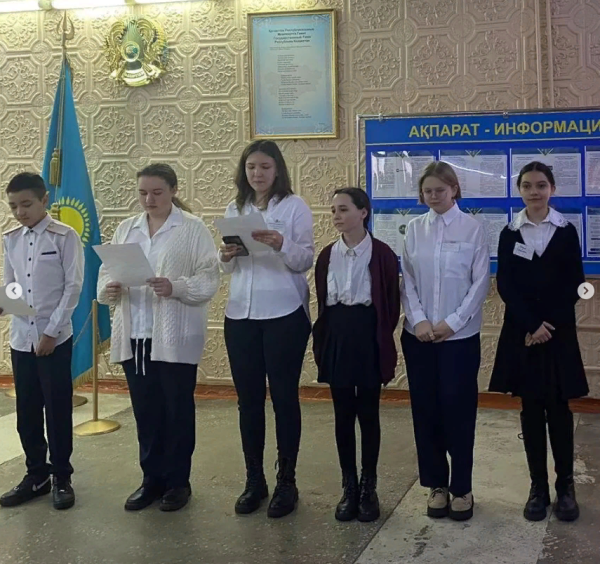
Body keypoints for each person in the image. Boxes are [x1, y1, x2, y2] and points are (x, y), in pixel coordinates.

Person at [97, 163, 219, 512]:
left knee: (176, 410)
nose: (149, 200)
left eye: (157, 192)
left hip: (173, 335)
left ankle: (178, 482)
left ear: (173, 191)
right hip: (135, 334)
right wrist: (110, 288)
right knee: (146, 411)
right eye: (143, 193)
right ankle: (151, 479)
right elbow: (105, 274)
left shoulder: (192, 228)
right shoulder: (127, 228)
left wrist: (175, 287)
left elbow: (209, 278)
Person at [489, 161, 588, 522]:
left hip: (558, 333)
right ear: (519, 190)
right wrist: (532, 325)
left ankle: (565, 487)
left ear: (552, 189)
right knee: (530, 411)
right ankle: (538, 488)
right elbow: (506, 284)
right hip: (524, 334)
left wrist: (548, 325)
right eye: (528, 185)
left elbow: (576, 283)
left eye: (541, 185)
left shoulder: (566, 230)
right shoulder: (509, 232)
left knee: (559, 411)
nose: (535, 191)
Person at [220, 140, 313, 519]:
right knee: (248, 400)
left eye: (264, 167)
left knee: (285, 398)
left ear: (277, 170)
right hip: (240, 314)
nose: (257, 174)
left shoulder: (294, 206)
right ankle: (254, 480)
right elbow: (229, 267)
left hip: (284, 313)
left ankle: (287, 481)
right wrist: (225, 256)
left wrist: (281, 243)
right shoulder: (235, 208)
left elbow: (305, 259)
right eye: (251, 167)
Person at [400, 161, 489, 521]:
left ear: (454, 189)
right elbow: (406, 280)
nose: (433, 196)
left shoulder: (473, 228)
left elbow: (479, 283)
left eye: (440, 189)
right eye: (427, 191)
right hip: (419, 337)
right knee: (426, 412)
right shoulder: (414, 229)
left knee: (459, 411)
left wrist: (451, 324)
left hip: (459, 338)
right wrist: (419, 320)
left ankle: (461, 488)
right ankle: (436, 485)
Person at [313, 188, 400, 522]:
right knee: (342, 413)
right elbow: (323, 300)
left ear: (363, 212)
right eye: (333, 210)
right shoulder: (327, 255)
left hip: (367, 334)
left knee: (368, 412)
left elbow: (390, 303)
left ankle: (368, 486)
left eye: (344, 209)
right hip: (337, 332)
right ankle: (348, 485)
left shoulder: (382, 253)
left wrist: (378, 336)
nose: (337, 216)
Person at [0, 172, 84, 511]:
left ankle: (62, 476)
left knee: (57, 409)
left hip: (54, 338)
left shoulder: (64, 236)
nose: (20, 212)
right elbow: (11, 284)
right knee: (27, 411)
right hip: (22, 339)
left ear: (44, 200)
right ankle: (36, 474)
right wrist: (6, 303)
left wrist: (51, 332)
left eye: (26, 204)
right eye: (13, 206)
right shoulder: (11, 239)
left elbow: (73, 287)